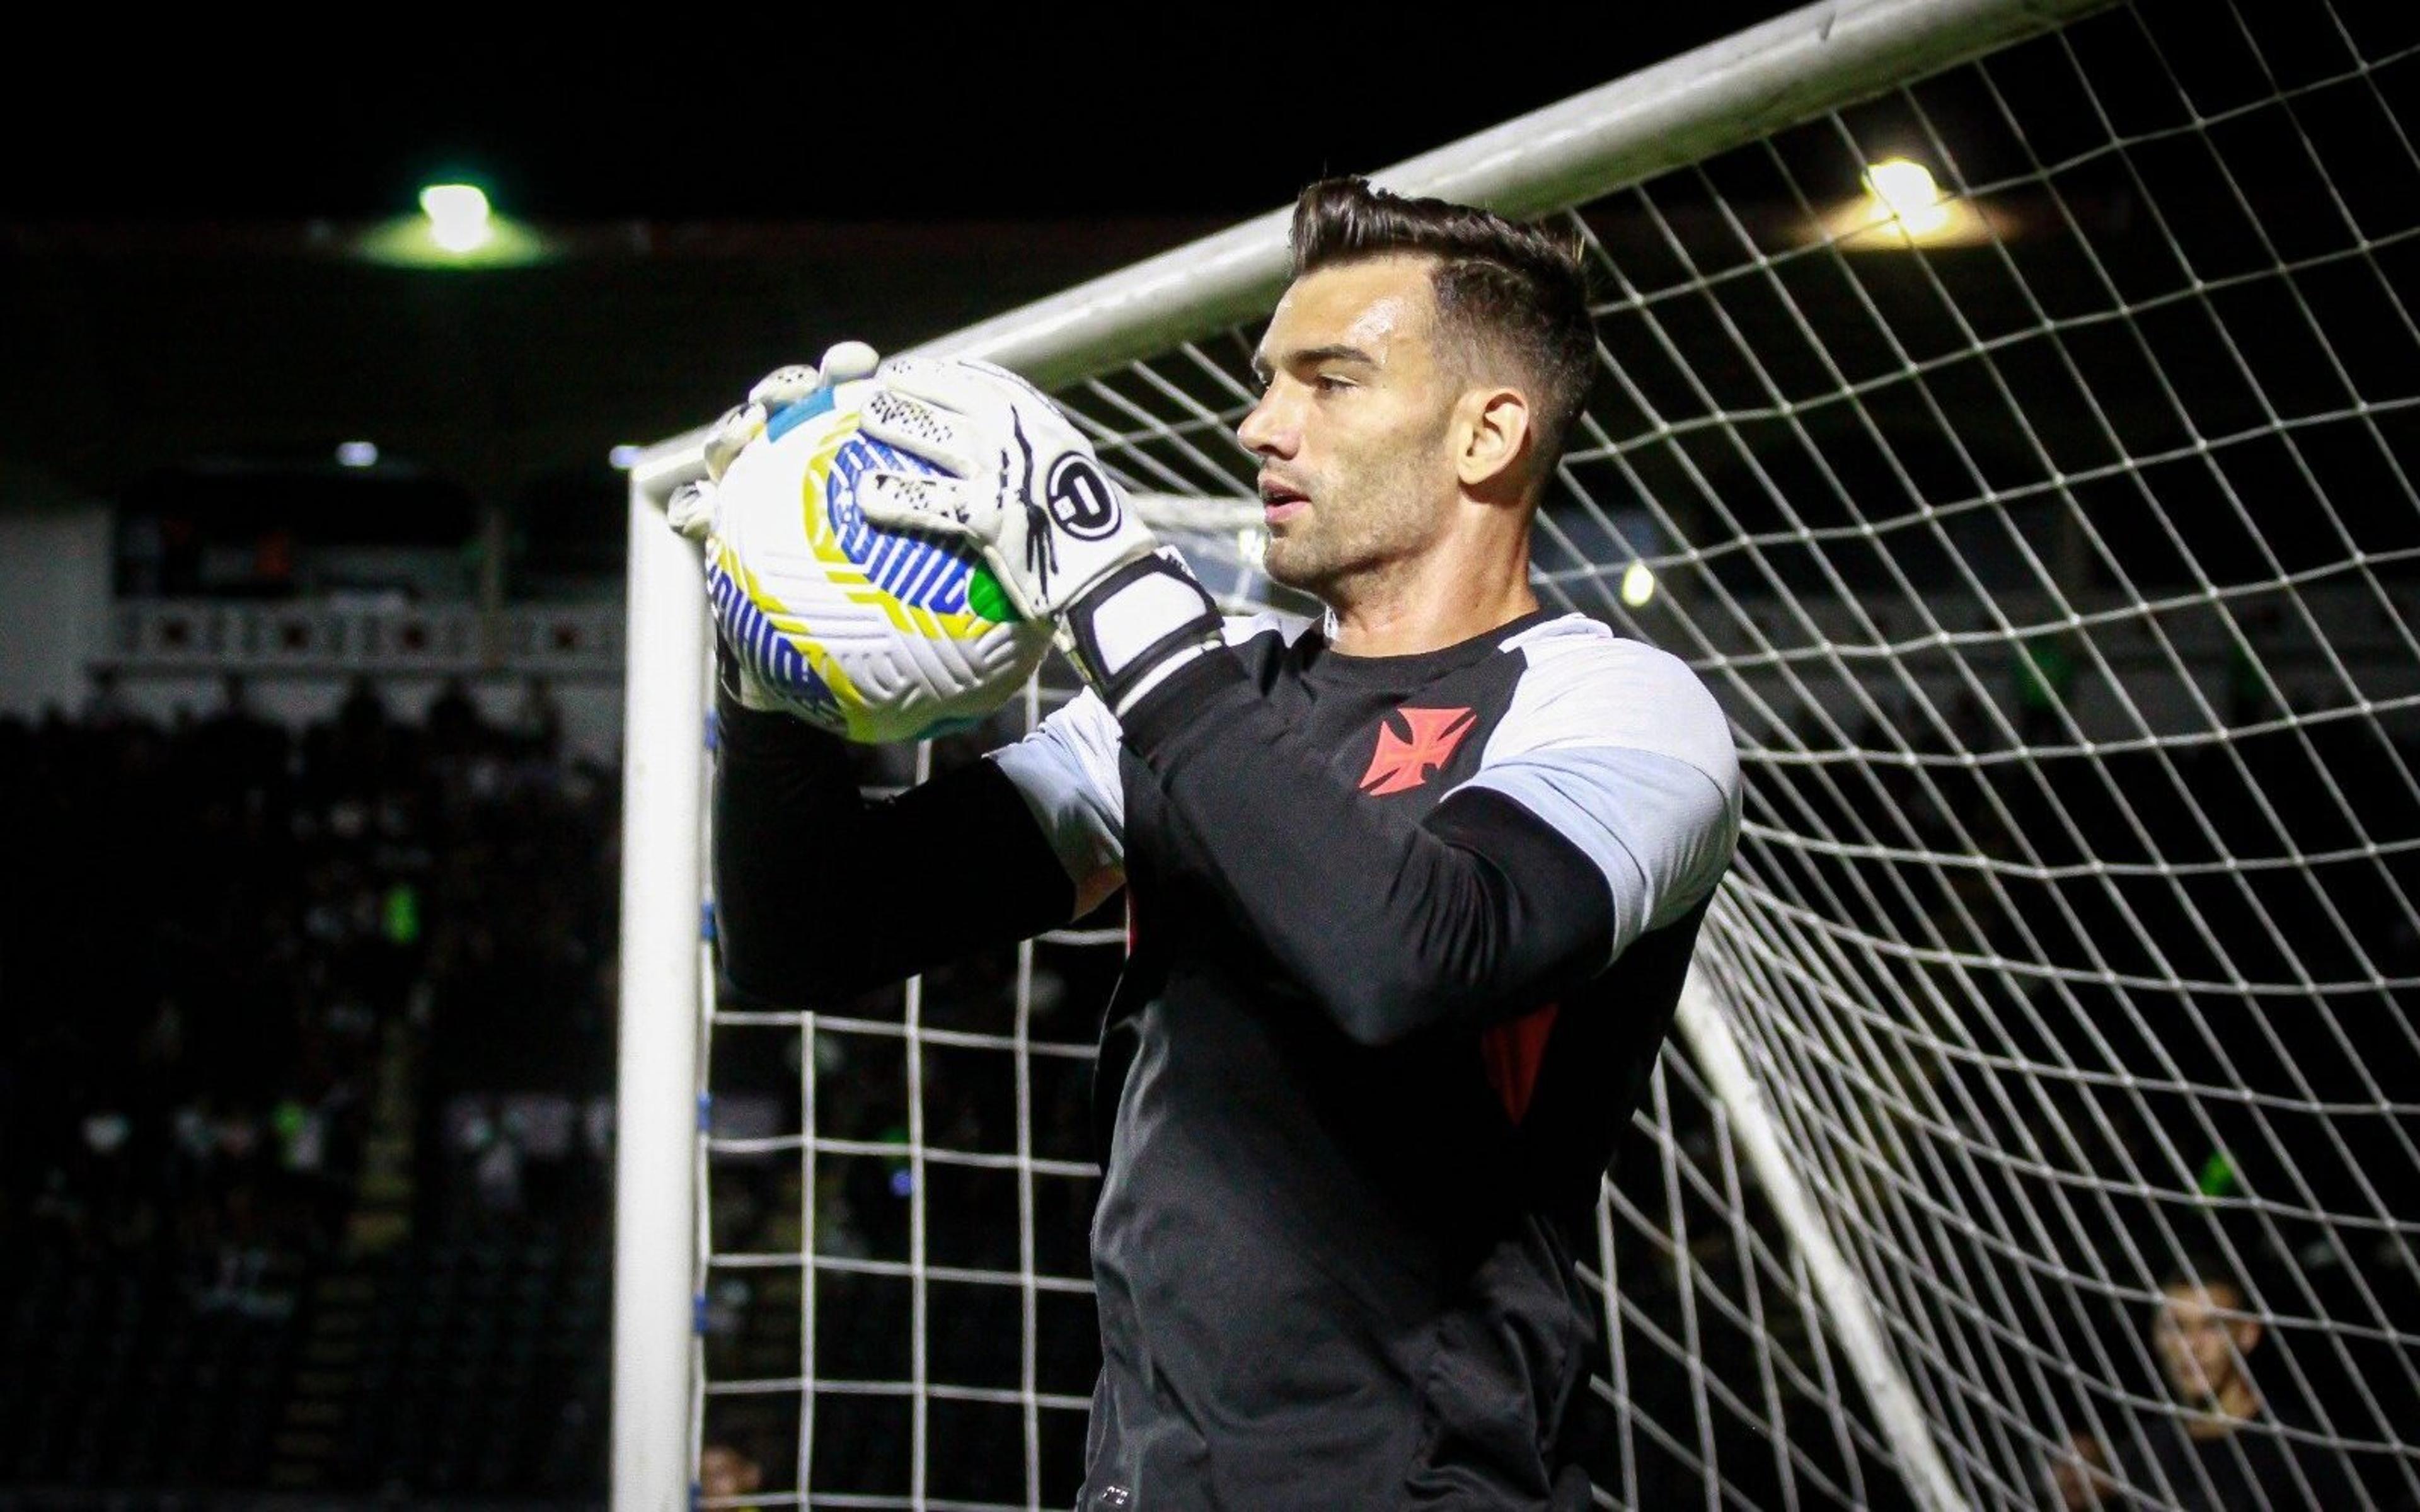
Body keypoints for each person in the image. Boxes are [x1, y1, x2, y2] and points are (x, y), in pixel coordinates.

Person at [681, 178, 1741, 1507]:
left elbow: (1405, 956)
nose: (1261, 428)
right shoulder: (1214, 694)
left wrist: (1114, 582)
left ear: (1490, 433)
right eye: (1266, 382)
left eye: (1330, 381)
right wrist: (772, 677)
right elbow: (810, 931)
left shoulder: (1620, 708)